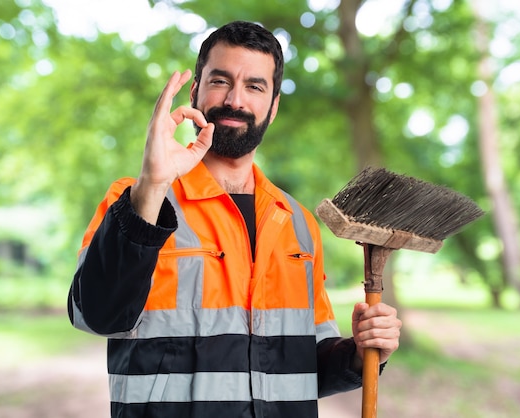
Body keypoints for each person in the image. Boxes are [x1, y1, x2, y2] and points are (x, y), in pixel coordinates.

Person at [68, 20, 402, 418]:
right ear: (195, 92)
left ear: (273, 106)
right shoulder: (137, 201)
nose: (235, 100)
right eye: (220, 81)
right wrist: (152, 184)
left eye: (255, 86)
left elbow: (301, 367)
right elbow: (94, 314)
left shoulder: (297, 222)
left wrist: (358, 354)